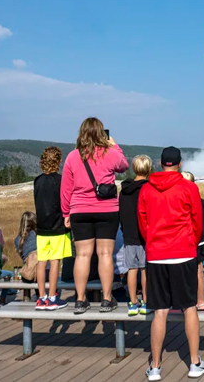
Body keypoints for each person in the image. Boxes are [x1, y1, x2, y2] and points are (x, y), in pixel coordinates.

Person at [138, 146, 204, 380]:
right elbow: (197, 222)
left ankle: (156, 367)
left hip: (157, 255)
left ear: (161, 163)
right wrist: (190, 241)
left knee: (160, 310)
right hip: (184, 253)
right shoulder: (189, 188)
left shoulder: (146, 190)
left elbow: (143, 222)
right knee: (189, 307)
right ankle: (194, 363)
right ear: (180, 164)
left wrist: (153, 242)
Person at [61, 117, 129, 314]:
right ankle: (107, 299)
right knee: (105, 254)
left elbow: (66, 188)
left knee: (82, 255)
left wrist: (66, 212)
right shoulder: (109, 153)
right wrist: (115, 146)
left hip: (80, 210)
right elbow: (124, 165)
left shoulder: (73, 157)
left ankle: (80, 299)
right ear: (102, 134)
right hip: (107, 210)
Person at [34, 146, 70, 310]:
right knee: (55, 261)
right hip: (57, 225)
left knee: (42, 262)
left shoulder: (37, 180)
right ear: (59, 162)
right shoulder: (61, 180)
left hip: (41, 227)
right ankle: (52, 296)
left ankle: (41, 297)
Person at [119, 155, 152, 316]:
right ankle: (145, 302)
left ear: (133, 168)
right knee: (145, 270)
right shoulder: (150, 188)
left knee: (131, 269)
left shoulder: (124, 191)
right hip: (146, 235)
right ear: (149, 169)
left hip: (129, 234)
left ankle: (132, 303)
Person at [182, 172, 204, 311]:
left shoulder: (200, 202)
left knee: (198, 271)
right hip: (185, 241)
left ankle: (199, 301)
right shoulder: (196, 200)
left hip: (198, 241)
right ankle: (189, 300)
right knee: (187, 272)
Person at [15, 211, 37, 279]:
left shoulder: (17, 240)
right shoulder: (37, 236)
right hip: (41, 272)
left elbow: (23, 258)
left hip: (28, 273)